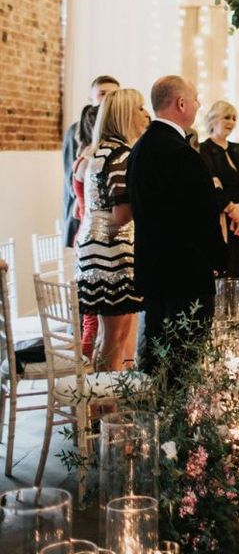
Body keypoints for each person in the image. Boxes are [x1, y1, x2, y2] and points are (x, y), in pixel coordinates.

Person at [127, 76, 227, 376]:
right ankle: (179, 420)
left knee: (157, 355)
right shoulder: (182, 153)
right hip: (186, 275)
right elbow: (202, 216)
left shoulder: (140, 149)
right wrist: (219, 259)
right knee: (185, 358)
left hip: (153, 272)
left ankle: (158, 417)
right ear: (181, 103)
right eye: (195, 98)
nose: (198, 105)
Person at [76, 89, 149, 371]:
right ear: (124, 115)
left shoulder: (99, 150)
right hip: (111, 251)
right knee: (114, 337)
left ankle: (104, 403)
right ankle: (105, 407)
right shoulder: (121, 155)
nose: (146, 114)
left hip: (93, 247)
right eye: (140, 108)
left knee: (110, 335)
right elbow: (121, 215)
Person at [199, 101, 239, 296]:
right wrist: (235, 215)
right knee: (227, 266)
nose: (231, 122)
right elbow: (211, 185)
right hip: (222, 222)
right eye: (227, 117)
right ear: (213, 118)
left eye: (234, 118)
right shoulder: (204, 149)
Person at [62, 75, 120, 248]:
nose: (107, 99)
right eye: (102, 94)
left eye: (113, 95)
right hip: (82, 215)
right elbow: (70, 180)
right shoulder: (76, 131)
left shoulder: (117, 131)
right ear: (91, 98)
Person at [71, 104, 99, 359]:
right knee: (92, 320)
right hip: (92, 240)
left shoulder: (84, 156)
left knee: (91, 318)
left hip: (84, 234)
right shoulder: (93, 159)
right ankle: (87, 375)